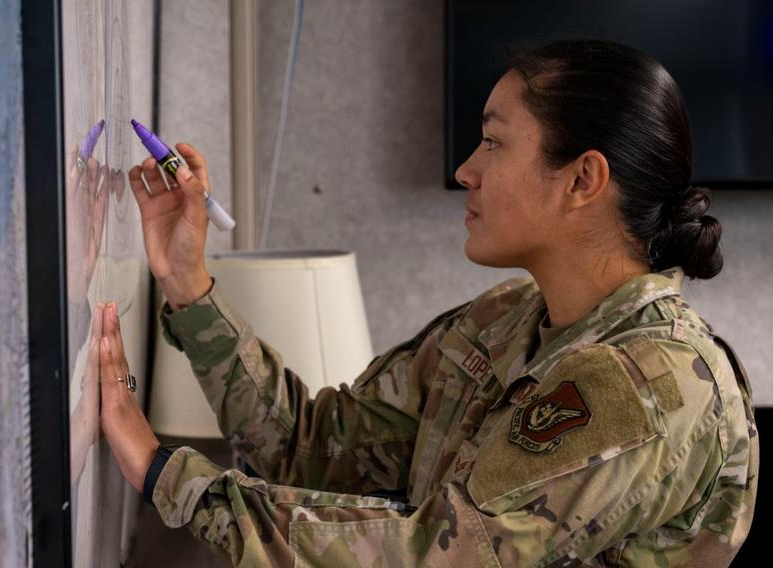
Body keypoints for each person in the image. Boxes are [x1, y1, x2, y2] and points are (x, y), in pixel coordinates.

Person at [98, 40, 757, 566]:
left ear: (583, 179)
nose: (467, 170)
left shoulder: (651, 386)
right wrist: (188, 282)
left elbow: (436, 557)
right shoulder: (507, 319)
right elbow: (315, 449)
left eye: (495, 142)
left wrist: (165, 475)